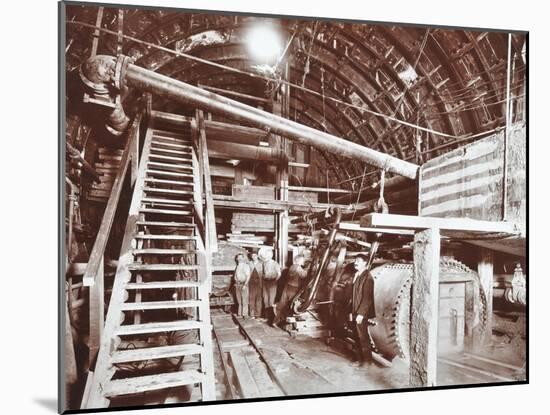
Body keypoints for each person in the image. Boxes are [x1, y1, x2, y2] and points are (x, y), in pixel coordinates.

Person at [350, 254, 375, 366]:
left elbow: (367, 298)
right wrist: (351, 311)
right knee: (356, 335)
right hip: (355, 310)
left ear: (365, 263)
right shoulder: (357, 275)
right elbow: (354, 296)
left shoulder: (368, 278)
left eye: (359, 261)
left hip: (361, 313)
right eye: (355, 260)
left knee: (362, 337)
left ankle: (366, 362)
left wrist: (360, 314)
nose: (356, 262)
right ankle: (359, 359)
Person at [259, 248, 281, 324]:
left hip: (272, 283)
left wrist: (275, 281)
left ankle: (271, 318)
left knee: (271, 300)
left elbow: (279, 274)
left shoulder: (275, 263)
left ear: (271, 255)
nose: (266, 256)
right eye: (265, 255)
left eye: (268, 255)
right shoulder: (264, 263)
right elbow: (263, 273)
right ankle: (266, 317)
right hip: (265, 283)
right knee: (265, 300)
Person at [248, 251, 263, 318]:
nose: (253, 257)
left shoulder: (261, 263)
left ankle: (258, 314)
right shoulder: (249, 263)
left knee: (258, 299)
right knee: (251, 298)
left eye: (255, 256)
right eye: (252, 256)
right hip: (251, 283)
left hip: (259, 283)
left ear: (257, 256)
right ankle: (252, 314)